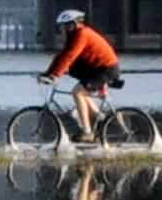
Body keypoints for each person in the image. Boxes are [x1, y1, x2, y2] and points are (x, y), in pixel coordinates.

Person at [39, 9, 122, 139]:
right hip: (96, 68)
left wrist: (55, 75)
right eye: (62, 26)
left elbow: (71, 56)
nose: (63, 29)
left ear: (74, 24)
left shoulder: (82, 34)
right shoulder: (74, 35)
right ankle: (99, 117)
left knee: (77, 92)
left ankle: (87, 132)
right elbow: (62, 56)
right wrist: (48, 73)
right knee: (79, 86)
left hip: (106, 69)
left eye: (65, 25)